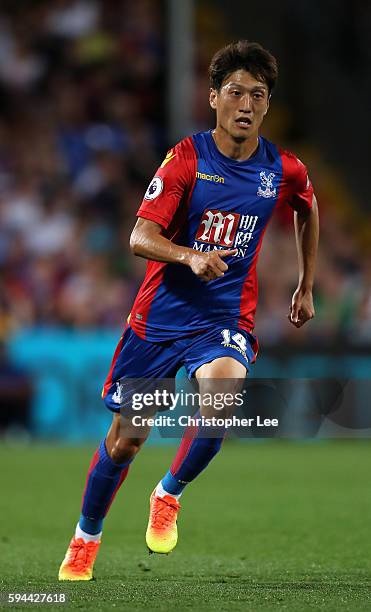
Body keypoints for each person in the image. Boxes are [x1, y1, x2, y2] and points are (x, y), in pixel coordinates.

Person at [59, 40, 319, 581]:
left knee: (221, 400)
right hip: (159, 322)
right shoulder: (187, 159)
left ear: (268, 106)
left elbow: (307, 208)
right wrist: (188, 255)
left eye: (258, 95)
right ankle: (86, 536)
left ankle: (169, 494)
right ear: (213, 98)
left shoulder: (283, 168)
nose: (246, 105)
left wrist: (305, 284)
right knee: (128, 439)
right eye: (236, 93)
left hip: (223, 321)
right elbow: (140, 236)